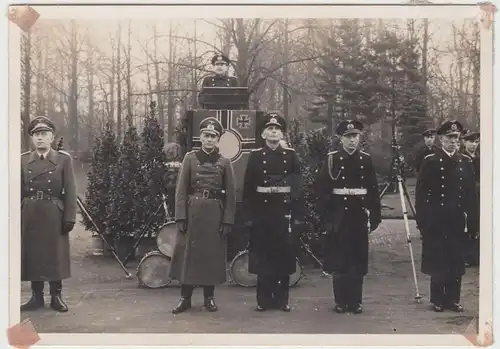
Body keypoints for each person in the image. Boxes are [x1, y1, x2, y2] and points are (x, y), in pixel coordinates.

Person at [169, 117, 237, 314]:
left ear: (218, 140)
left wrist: (227, 220)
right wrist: (180, 217)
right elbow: (181, 190)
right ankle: (185, 298)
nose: (209, 140)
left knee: (211, 257)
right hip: (192, 213)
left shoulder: (224, 162)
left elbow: (231, 195)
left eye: (213, 136)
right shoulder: (190, 158)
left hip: (215, 214)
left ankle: (209, 298)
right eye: (206, 136)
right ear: (201, 137)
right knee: (188, 257)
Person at [314, 120, 381, 314]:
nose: (352, 140)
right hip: (338, 216)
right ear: (341, 139)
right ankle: (340, 301)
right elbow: (321, 190)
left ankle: (356, 301)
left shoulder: (365, 160)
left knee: (357, 259)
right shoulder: (332, 159)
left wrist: (374, 215)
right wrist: (325, 218)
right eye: (348, 137)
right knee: (339, 258)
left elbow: (372, 190)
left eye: (355, 136)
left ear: (360, 138)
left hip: (358, 215)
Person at [242, 112, 304, 312]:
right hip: (262, 213)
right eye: (270, 129)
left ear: (282, 134)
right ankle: (263, 300)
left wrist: (296, 216)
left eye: (277, 129)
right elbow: (249, 188)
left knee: (283, 257)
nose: (274, 132)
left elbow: (297, 186)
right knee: (263, 257)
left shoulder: (291, 155)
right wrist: (249, 216)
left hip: (283, 212)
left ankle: (282, 300)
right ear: (263, 134)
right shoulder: (256, 156)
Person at [415, 120, 478, 313]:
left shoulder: (465, 162)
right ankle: (438, 300)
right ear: (441, 139)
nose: (453, 142)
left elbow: (470, 196)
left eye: (456, 138)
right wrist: (423, 221)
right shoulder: (431, 161)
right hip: (437, 220)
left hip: (457, 220)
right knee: (439, 259)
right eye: (449, 138)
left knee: (456, 260)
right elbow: (421, 194)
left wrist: (474, 222)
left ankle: (453, 299)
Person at [20, 116, 77, 313]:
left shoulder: (63, 160)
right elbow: (17, 191)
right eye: (36, 135)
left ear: (52, 137)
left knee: (55, 255)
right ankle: (36, 296)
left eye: (44, 134)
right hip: (30, 212)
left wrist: (69, 216)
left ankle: (56, 296)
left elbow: (70, 190)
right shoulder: (23, 160)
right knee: (33, 254)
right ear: (32, 139)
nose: (40, 138)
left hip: (54, 212)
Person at [460, 130, 480, 267]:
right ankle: (467, 256)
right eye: (471, 142)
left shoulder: (480, 158)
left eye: (476, 142)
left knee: (477, 225)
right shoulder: (461, 158)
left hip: (479, 195)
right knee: (466, 225)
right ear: (464, 142)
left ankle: (476, 255)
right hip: (466, 196)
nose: (473, 145)